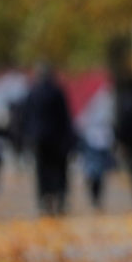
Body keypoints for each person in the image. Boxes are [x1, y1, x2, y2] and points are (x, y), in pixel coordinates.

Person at [18, 63, 77, 217]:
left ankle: (45, 198)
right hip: (57, 138)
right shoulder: (57, 92)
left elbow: (26, 117)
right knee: (59, 169)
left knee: (42, 169)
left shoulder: (33, 92)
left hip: (39, 139)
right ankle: (60, 196)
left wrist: (27, 137)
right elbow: (65, 117)